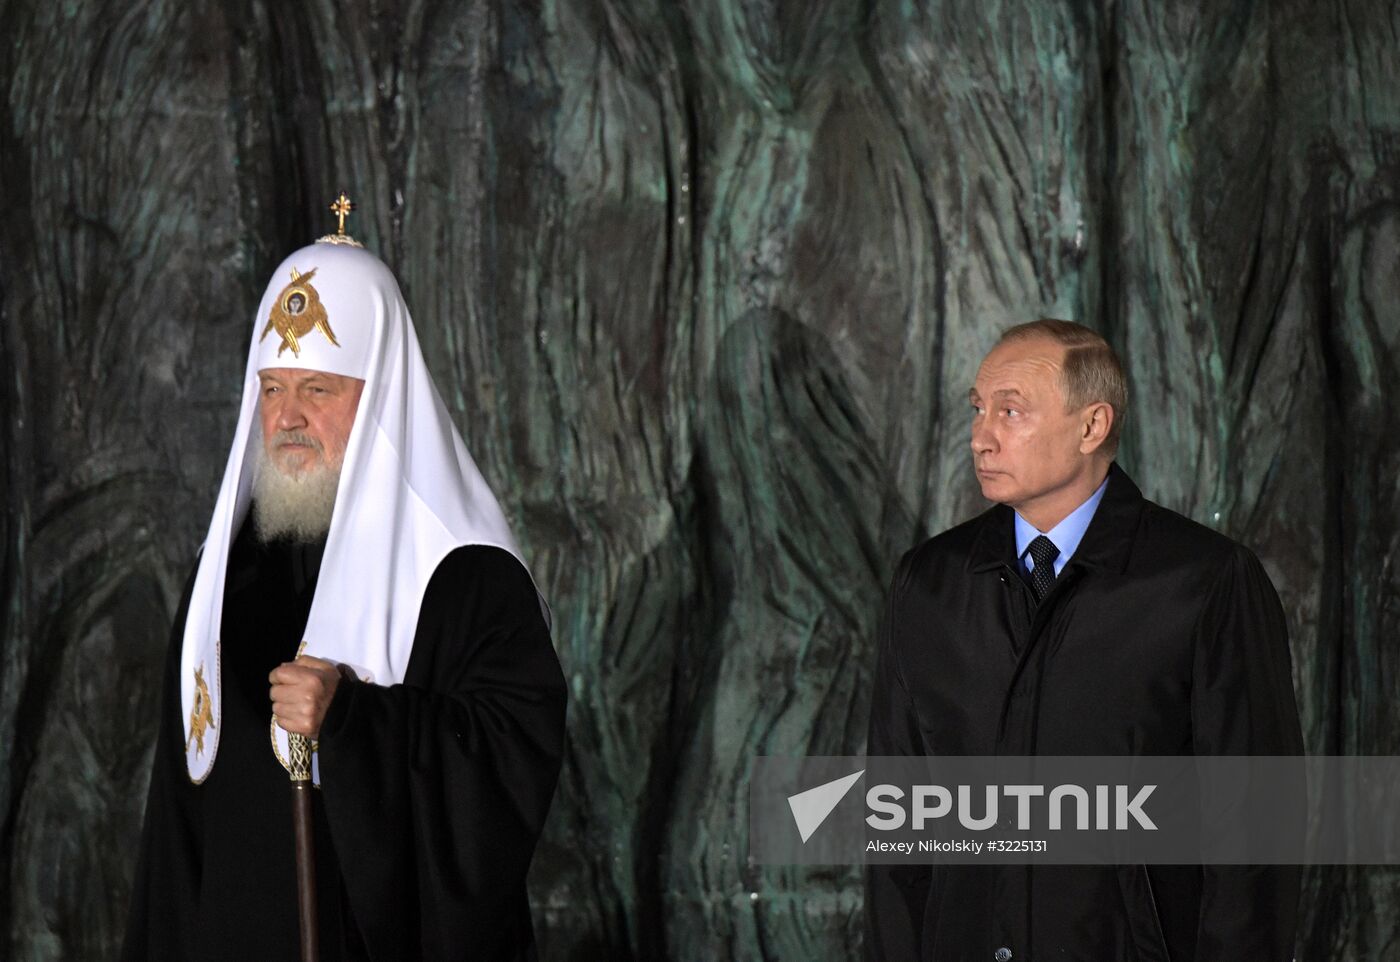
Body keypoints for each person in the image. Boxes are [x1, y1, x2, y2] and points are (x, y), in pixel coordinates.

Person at [122, 216, 567, 961]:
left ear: (380, 398)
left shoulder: (466, 571)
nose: (287, 417)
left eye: (317, 388)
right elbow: (178, 826)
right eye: (272, 389)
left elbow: (509, 767)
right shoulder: (227, 579)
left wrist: (354, 718)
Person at [864, 319, 1303, 961]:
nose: (980, 436)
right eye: (979, 409)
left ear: (1092, 426)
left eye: (1010, 412)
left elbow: (1254, 831)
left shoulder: (1203, 582)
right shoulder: (928, 583)